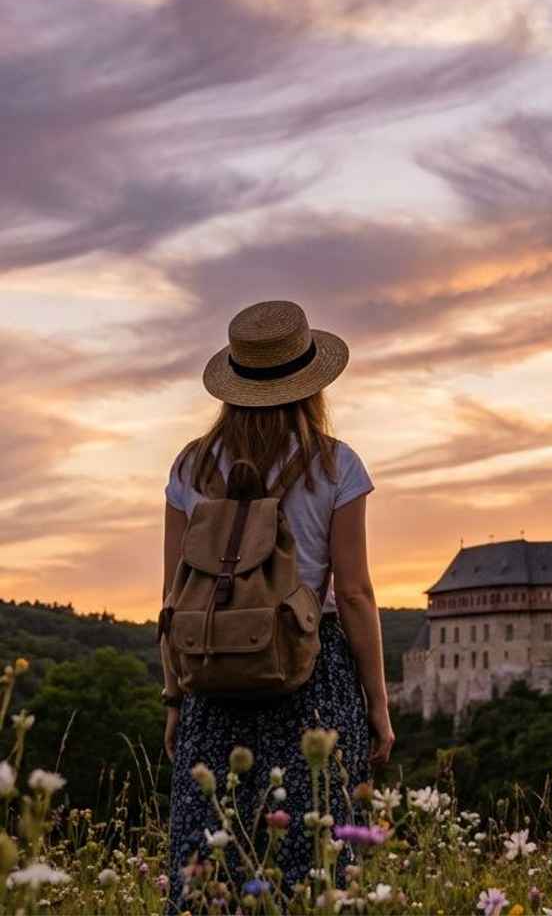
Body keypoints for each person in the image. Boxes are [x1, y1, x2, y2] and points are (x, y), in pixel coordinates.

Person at [161, 300, 394, 905]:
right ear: (311, 382)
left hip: (212, 678)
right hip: (311, 674)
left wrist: (173, 698)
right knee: (312, 863)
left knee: (209, 864)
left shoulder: (190, 466)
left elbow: (172, 597)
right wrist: (378, 701)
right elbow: (356, 592)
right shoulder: (336, 463)